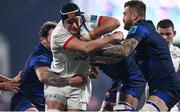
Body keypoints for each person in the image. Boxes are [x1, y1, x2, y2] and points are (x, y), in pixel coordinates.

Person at [93, 0, 180, 111]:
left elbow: (123, 51)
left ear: (134, 15)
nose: (123, 18)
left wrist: (91, 52)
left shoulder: (141, 27)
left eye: (125, 14)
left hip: (167, 88)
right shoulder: (144, 35)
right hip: (155, 88)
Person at [44, 2, 122, 111]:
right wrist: (112, 37)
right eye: (69, 22)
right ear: (62, 22)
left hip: (80, 84)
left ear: (81, 17)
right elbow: (86, 47)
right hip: (59, 81)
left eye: (76, 20)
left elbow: (115, 22)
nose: (75, 25)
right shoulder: (58, 34)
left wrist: (91, 34)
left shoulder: (85, 19)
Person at [10, 21, 88, 112]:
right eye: (54, 36)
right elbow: (44, 76)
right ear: (43, 40)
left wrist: (90, 71)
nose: (57, 39)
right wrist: (70, 80)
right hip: (26, 101)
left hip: (49, 102)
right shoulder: (40, 55)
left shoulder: (64, 53)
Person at [157, 19, 180, 111]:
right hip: (152, 105)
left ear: (174, 33)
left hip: (172, 107)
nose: (164, 38)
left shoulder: (179, 54)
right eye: (161, 34)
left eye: (168, 34)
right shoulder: (147, 54)